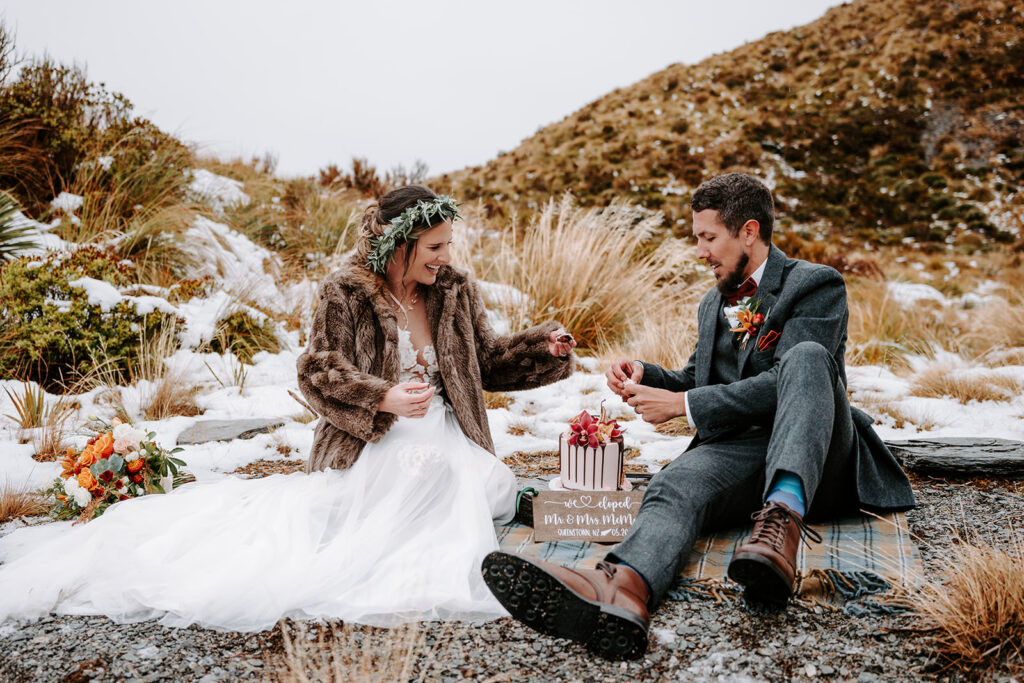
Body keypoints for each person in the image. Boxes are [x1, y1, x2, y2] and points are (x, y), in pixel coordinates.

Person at [0, 184, 575, 631]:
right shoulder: (345, 290)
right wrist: (384, 397)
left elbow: (486, 360)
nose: (445, 258)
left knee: (482, 486)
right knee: (420, 491)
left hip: (449, 430)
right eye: (434, 248)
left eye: (448, 245)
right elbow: (317, 369)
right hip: (373, 438)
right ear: (399, 247)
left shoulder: (454, 289)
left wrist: (540, 348)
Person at [481, 173, 915, 660]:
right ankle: (621, 587)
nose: (701, 251)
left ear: (748, 232)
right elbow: (699, 379)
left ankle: (781, 525)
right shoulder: (714, 301)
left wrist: (684, 407)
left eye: (709, 238)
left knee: (809, 356)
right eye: (698, 239)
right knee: (672, 485)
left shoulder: (815, 284)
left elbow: (786, 381)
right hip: (740, 450)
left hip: (820, 455)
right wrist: (649, 376)